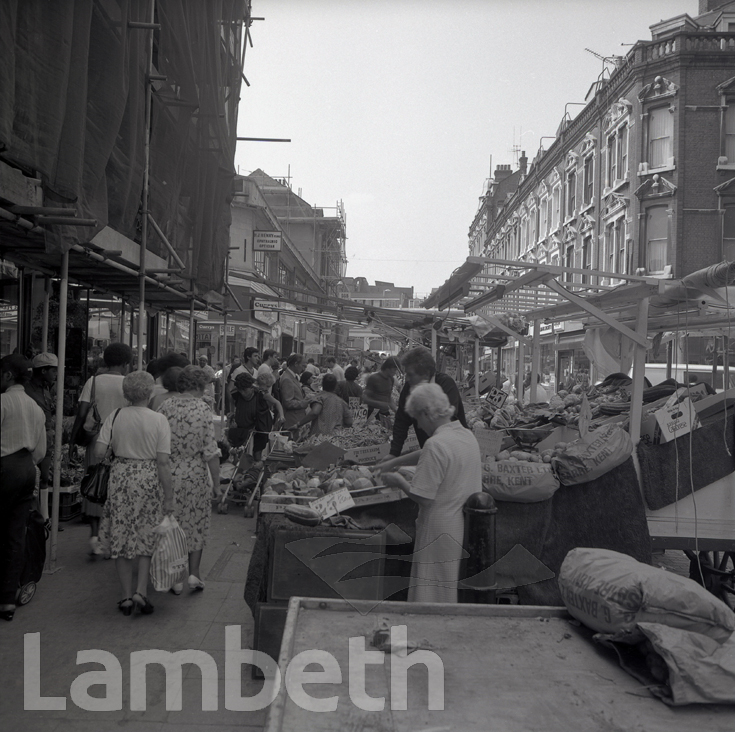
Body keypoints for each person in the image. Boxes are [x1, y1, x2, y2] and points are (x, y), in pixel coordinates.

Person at [381, 384, 481, 603]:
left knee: (430, 594)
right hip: (462, 525)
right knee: (448, 591)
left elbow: (423, 497)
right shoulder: (466, 436)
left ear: (426, 414)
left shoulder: (436, 445)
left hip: (438, 528)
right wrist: (398, 463)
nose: (418, 425)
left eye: (417, 418)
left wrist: (398, 480)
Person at [95, 371, 173, 616]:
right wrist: (169, 495)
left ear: (125, 393)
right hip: (149, 479)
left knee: (121, 534)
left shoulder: (115, 415)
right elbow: (163, 462)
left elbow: (98, 452)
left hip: (120, 478)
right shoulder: (159, 420)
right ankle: (141, 591)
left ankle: (125, 596)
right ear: (149, 392)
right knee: (145, 534)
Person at [157, 367, 220, 594]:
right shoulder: (203, 410)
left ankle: (176, 577)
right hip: (195, 473)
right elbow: (211, 451)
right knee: (196, 524)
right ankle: (194, 574)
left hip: (168, 473)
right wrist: (218, 484)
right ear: (197, 386)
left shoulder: (165, 407)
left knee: (175, 525)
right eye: (203, 387)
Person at [70, 342, 133, 556]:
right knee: (117, 488)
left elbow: (81, 413)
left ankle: (95, 536)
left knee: (95, 484)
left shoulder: (94, 381)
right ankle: (113, 537)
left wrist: (72, 441)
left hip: (96, 440)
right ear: (126, 364)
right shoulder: (128, 383)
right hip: (121, 441)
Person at [0, 355, 46, 621]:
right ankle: (7, 600)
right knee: (16, 533)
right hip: (27, 469)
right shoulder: (35, 407)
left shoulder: (3, 402)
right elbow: (40, 451)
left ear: (7, 375)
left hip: (5, 467)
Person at [384, 346, 467, 464]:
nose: (406, 379)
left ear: (426, 374)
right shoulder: (408, 388)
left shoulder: (445, 383)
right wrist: (394, 453)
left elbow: (449, 420)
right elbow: (401, 420)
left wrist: (398, 462)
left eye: (410, 374)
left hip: (455, 453)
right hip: (431, 451)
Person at [25, 353, 58, 508]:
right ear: (43, 371)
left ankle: (44, 517)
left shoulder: (47, 389)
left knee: (45, 477)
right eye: (54, 371)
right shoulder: (27, 389)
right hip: (33, 437)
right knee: (34, 478)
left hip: (47, 438)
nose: (56, 374)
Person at [278, 353, 311, 429]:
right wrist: (304, 402)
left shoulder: (292, 376)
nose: (304, 369)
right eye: (303, 366)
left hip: (296, 417)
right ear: (296, 364)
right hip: (292, 419)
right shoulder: (287, 379)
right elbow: (288, 402)